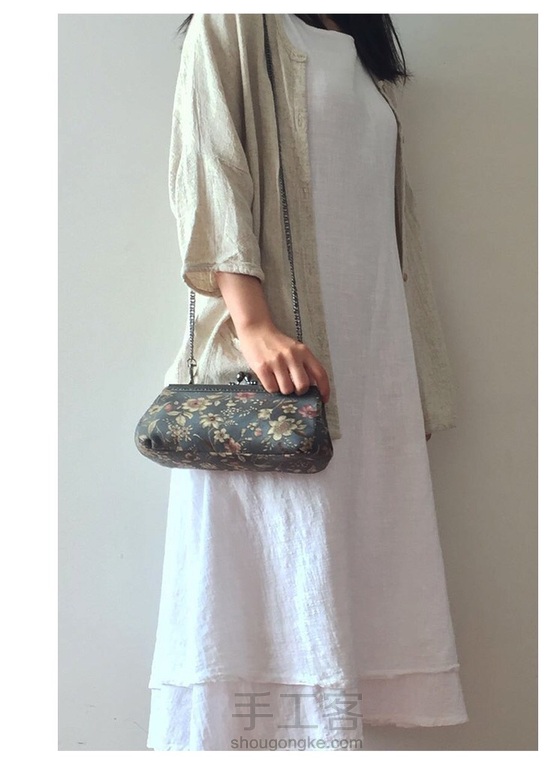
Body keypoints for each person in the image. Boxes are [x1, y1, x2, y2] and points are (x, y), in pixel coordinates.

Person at [146, 14, 468, 751]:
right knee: (269, 590)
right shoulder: (235, 22)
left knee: (346, 593)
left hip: (373, 362)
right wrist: (253, 324)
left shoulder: (357, 48)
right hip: (277, 372)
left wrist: (412, 379)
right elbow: (209, 164)